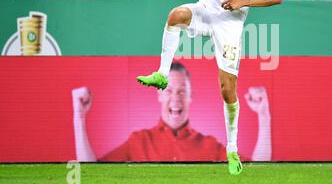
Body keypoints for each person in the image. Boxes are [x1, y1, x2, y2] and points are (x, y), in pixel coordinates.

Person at [131, 0, 282, 175]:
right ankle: (162, 75)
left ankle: (232, 148)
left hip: (230, 24)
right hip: (206, 10)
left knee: (227, 90)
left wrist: (242, 2)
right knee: (175, 15)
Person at [72, 62, 272, 162]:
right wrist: (79, 117)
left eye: (182, 92)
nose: (175, 98)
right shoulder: (138, 142)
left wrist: (264, 116)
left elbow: (256, 174)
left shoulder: (210, 147)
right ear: (159, 95)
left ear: (190, 98)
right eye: (168, 91)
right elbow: (92, 173)